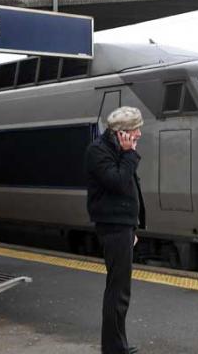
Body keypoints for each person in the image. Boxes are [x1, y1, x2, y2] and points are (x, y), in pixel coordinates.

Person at [85, 106, 146, 354]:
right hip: (113, 227)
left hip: (122, 227)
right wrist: (129, 154)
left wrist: (132, 226)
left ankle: (116, 345)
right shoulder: (98, 151)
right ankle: (113, 348)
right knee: (117, 292)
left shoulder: (115, 150)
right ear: (122, 133)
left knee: (120, 290)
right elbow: (119, 183)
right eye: (136, 129)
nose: (140, 134)